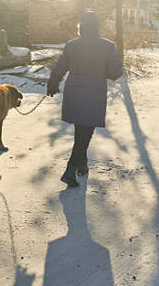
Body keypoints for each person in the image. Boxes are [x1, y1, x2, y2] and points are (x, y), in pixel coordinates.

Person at [47, 11, 123, 187]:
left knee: (81, 131)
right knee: (84, 134)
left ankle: (82, 165)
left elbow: (60, 67)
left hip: (74, 93)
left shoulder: (71, 45)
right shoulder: (107, 46)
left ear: (81, 26)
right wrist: (115, 65)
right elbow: (114, 73)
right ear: (97, 26)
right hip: (93, 94)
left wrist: (52, 84)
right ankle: (70, 170)